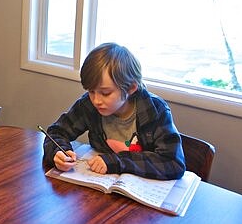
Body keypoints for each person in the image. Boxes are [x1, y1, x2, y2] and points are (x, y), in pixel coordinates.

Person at [43, 42, 185, 180]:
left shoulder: (155, 110)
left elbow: (173, 163)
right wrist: (59, 152)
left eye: (105, 93)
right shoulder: (88, 105)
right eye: (91, 91)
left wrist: (116, 161)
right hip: (99, 188)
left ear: (131, 88)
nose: (96, 100)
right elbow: (56, 132)